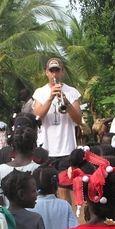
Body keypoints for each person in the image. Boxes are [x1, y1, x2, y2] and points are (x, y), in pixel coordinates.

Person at [33, 58, 82, 204]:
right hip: (47, 150)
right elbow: (37, 118)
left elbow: (78, 120)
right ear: (47, 72)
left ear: (63, 72)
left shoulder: (72, 92)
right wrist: (50, 98)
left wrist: (65, 101)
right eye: (51, 70)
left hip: (66, 150)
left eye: (57, 70)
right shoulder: (40, 92)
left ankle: (65, 223)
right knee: (45, 191)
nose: (55, 74)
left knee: (64, 191)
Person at [0, 122, 39, 207]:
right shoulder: (38, 170)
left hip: (7, 219)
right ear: (34, 146)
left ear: (12, 146)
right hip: (33, 219)